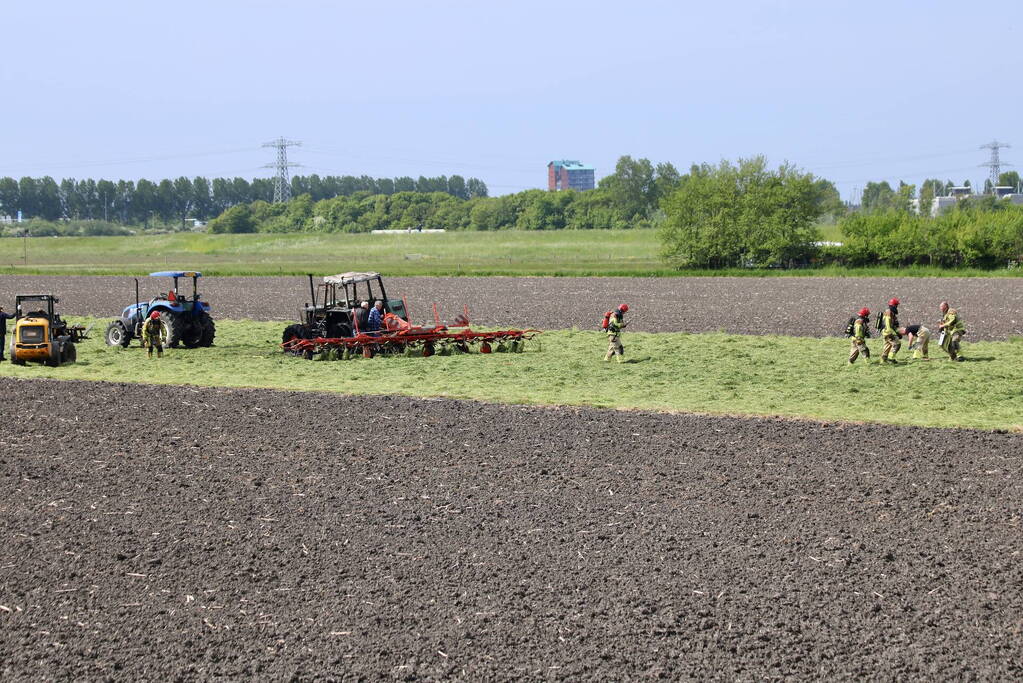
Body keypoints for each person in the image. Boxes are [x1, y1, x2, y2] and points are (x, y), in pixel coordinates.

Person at [880, 297, 901, 364]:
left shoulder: (891, 312)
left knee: (887, 346)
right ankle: (891, 359)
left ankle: (883, 360)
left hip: (885, 332)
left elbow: (893, 325)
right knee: (897, 344)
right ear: (894, 305)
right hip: (888, 332)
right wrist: (892, 333)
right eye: (896, 305)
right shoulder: (889, 312)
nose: (897, 307)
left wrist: (897, 332)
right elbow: (888, 324)